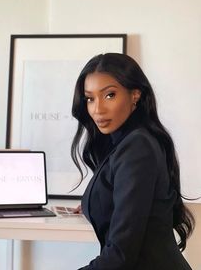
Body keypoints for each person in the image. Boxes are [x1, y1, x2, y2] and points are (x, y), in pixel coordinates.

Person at [71, 53, 195, 270]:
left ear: (135, 94)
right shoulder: (128, 141)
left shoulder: (137, 146)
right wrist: (98, 200)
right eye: (90, 98)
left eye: (109, 95)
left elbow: (121, 254)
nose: (97, 109)